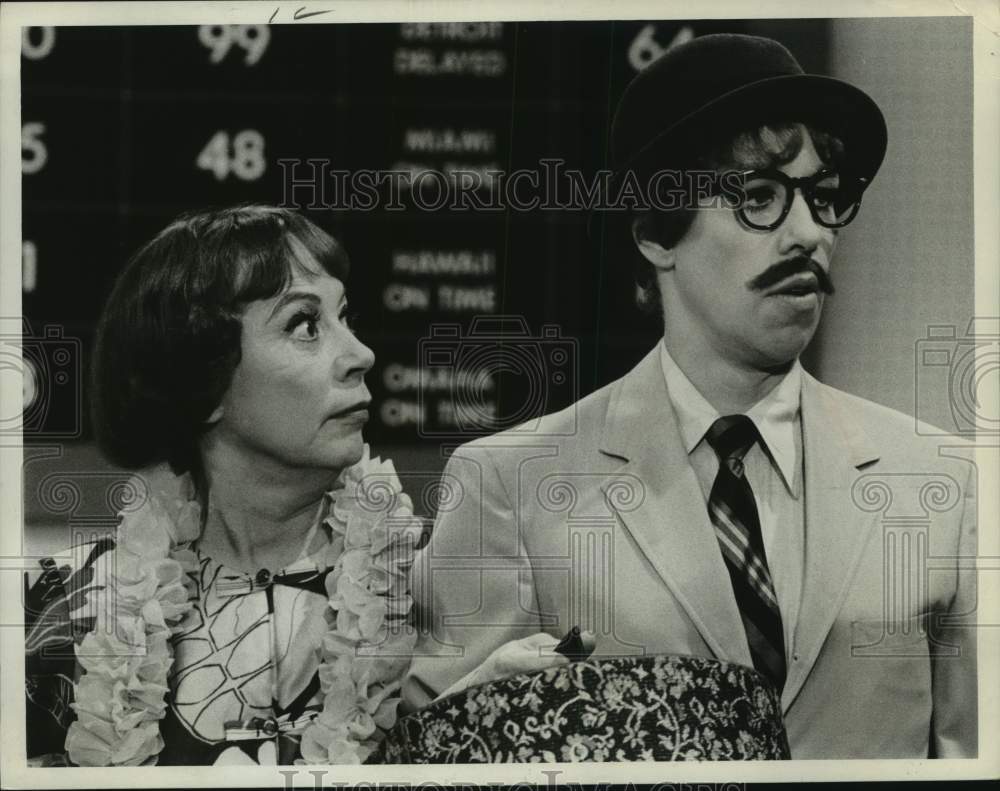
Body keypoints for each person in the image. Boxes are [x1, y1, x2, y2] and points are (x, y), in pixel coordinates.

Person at [403, 34, 977, 759]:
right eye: (760, 197)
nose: (809, 234)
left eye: (824, 198)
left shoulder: (943, 482)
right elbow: (446, 761)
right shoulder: (509, 485)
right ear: (654, 233)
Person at [23, 205, 430, 766]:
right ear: (201, 383)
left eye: (345, 317)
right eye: (306, 325)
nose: (362, 355)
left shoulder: (431, 583)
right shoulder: (63, 614)